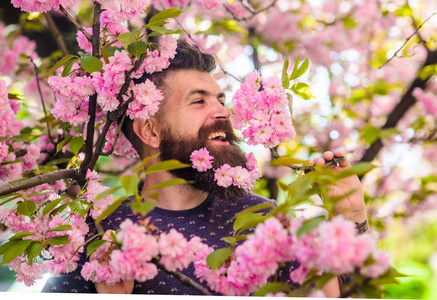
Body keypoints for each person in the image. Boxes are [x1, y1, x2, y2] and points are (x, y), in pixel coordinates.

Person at [42, 40, 368, 296]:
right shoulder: (99, 230)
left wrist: (352, 223)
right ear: (150, 131)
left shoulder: (268, 223)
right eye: (199, 101)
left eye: (221, 100)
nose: (222, 112)